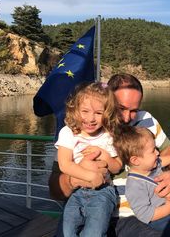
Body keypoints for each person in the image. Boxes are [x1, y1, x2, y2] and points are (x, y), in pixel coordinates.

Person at [48, 73, 170, 236]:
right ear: (107, 103)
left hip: (144, 208)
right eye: (121, 109)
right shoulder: (76, 132)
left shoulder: (145, 121)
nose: (127, 118)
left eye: (134, 110)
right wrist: (78, 177)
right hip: (95, 207)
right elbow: (55, 189)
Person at [55, 82, 122, 237]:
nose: (91, 119)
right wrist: (90, 176)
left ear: (107, 113)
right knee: (67, 232)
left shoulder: (108, 134)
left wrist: (103, 154)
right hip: (76, 193)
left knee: (94, 233)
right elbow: (65, 165)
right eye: (85, 111)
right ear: (75, 109)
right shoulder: (68, 133)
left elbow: (117, 167)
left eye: (98, 113)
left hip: (103, 193)